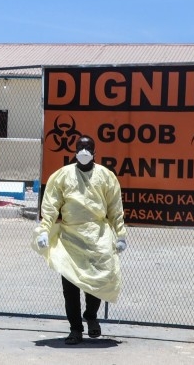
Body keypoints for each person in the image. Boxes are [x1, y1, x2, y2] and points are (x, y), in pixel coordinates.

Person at [33, 135, 127, 345]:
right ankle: (75, 329)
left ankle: (91, 315)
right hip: (70, 237)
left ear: (95, 151)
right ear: (74, 150)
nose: (84, 151)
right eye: (80, 147)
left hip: (98, 236)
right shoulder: (63, 176)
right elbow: (50, 206)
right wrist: (44, 230)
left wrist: (120, 234)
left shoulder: (106, 176)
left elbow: (115, 208)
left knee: (99, 279)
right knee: (71, 288)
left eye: (88, 147)